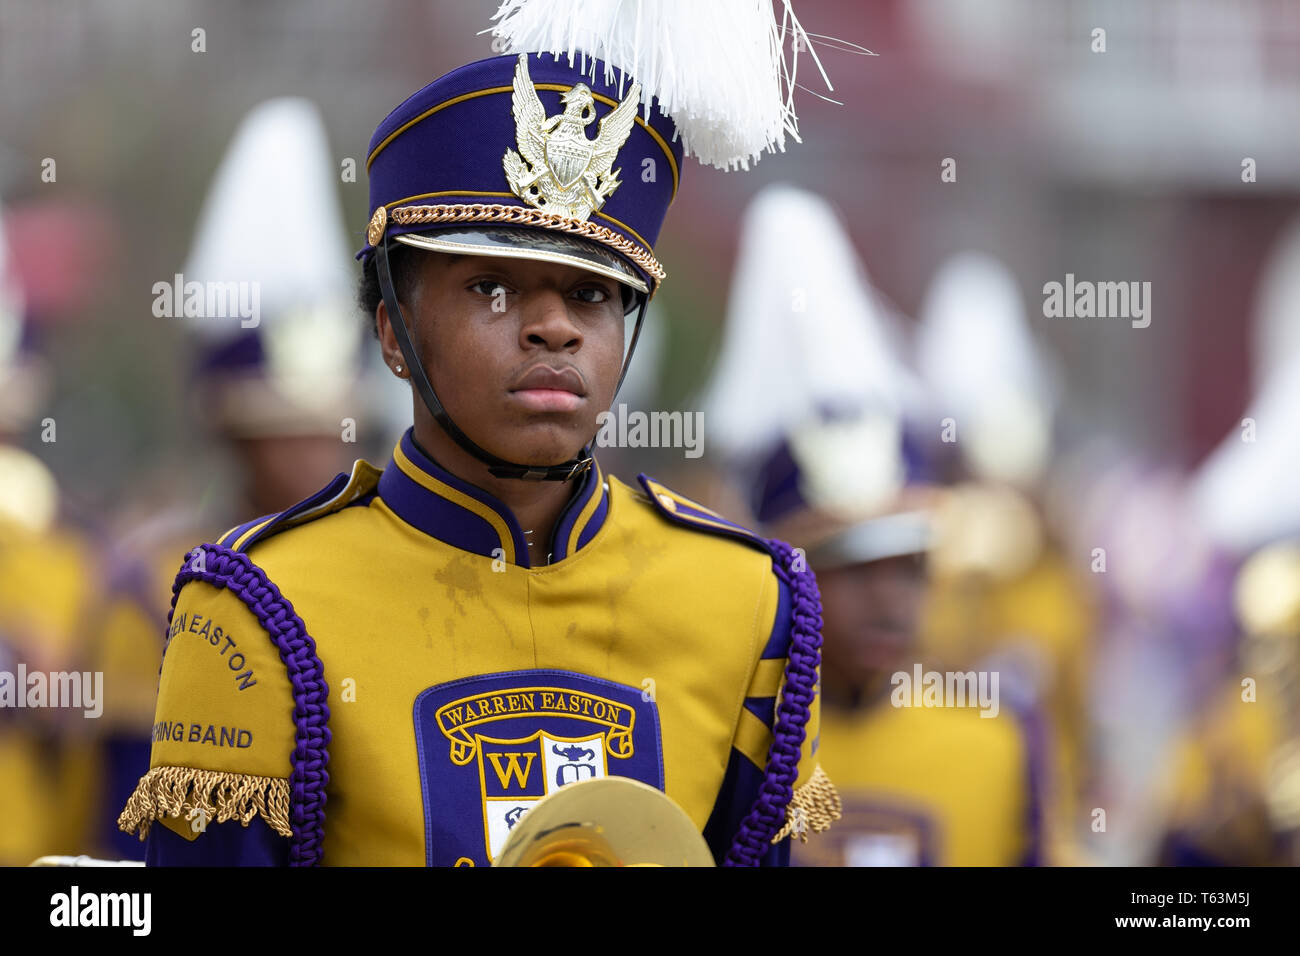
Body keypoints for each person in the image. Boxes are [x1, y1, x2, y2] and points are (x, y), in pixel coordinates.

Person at [118, 2, 836, 866]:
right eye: (494, 287)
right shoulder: (259, 604)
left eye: (591, 295)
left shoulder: (750, 597)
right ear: (391, 332)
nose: (553, 329)